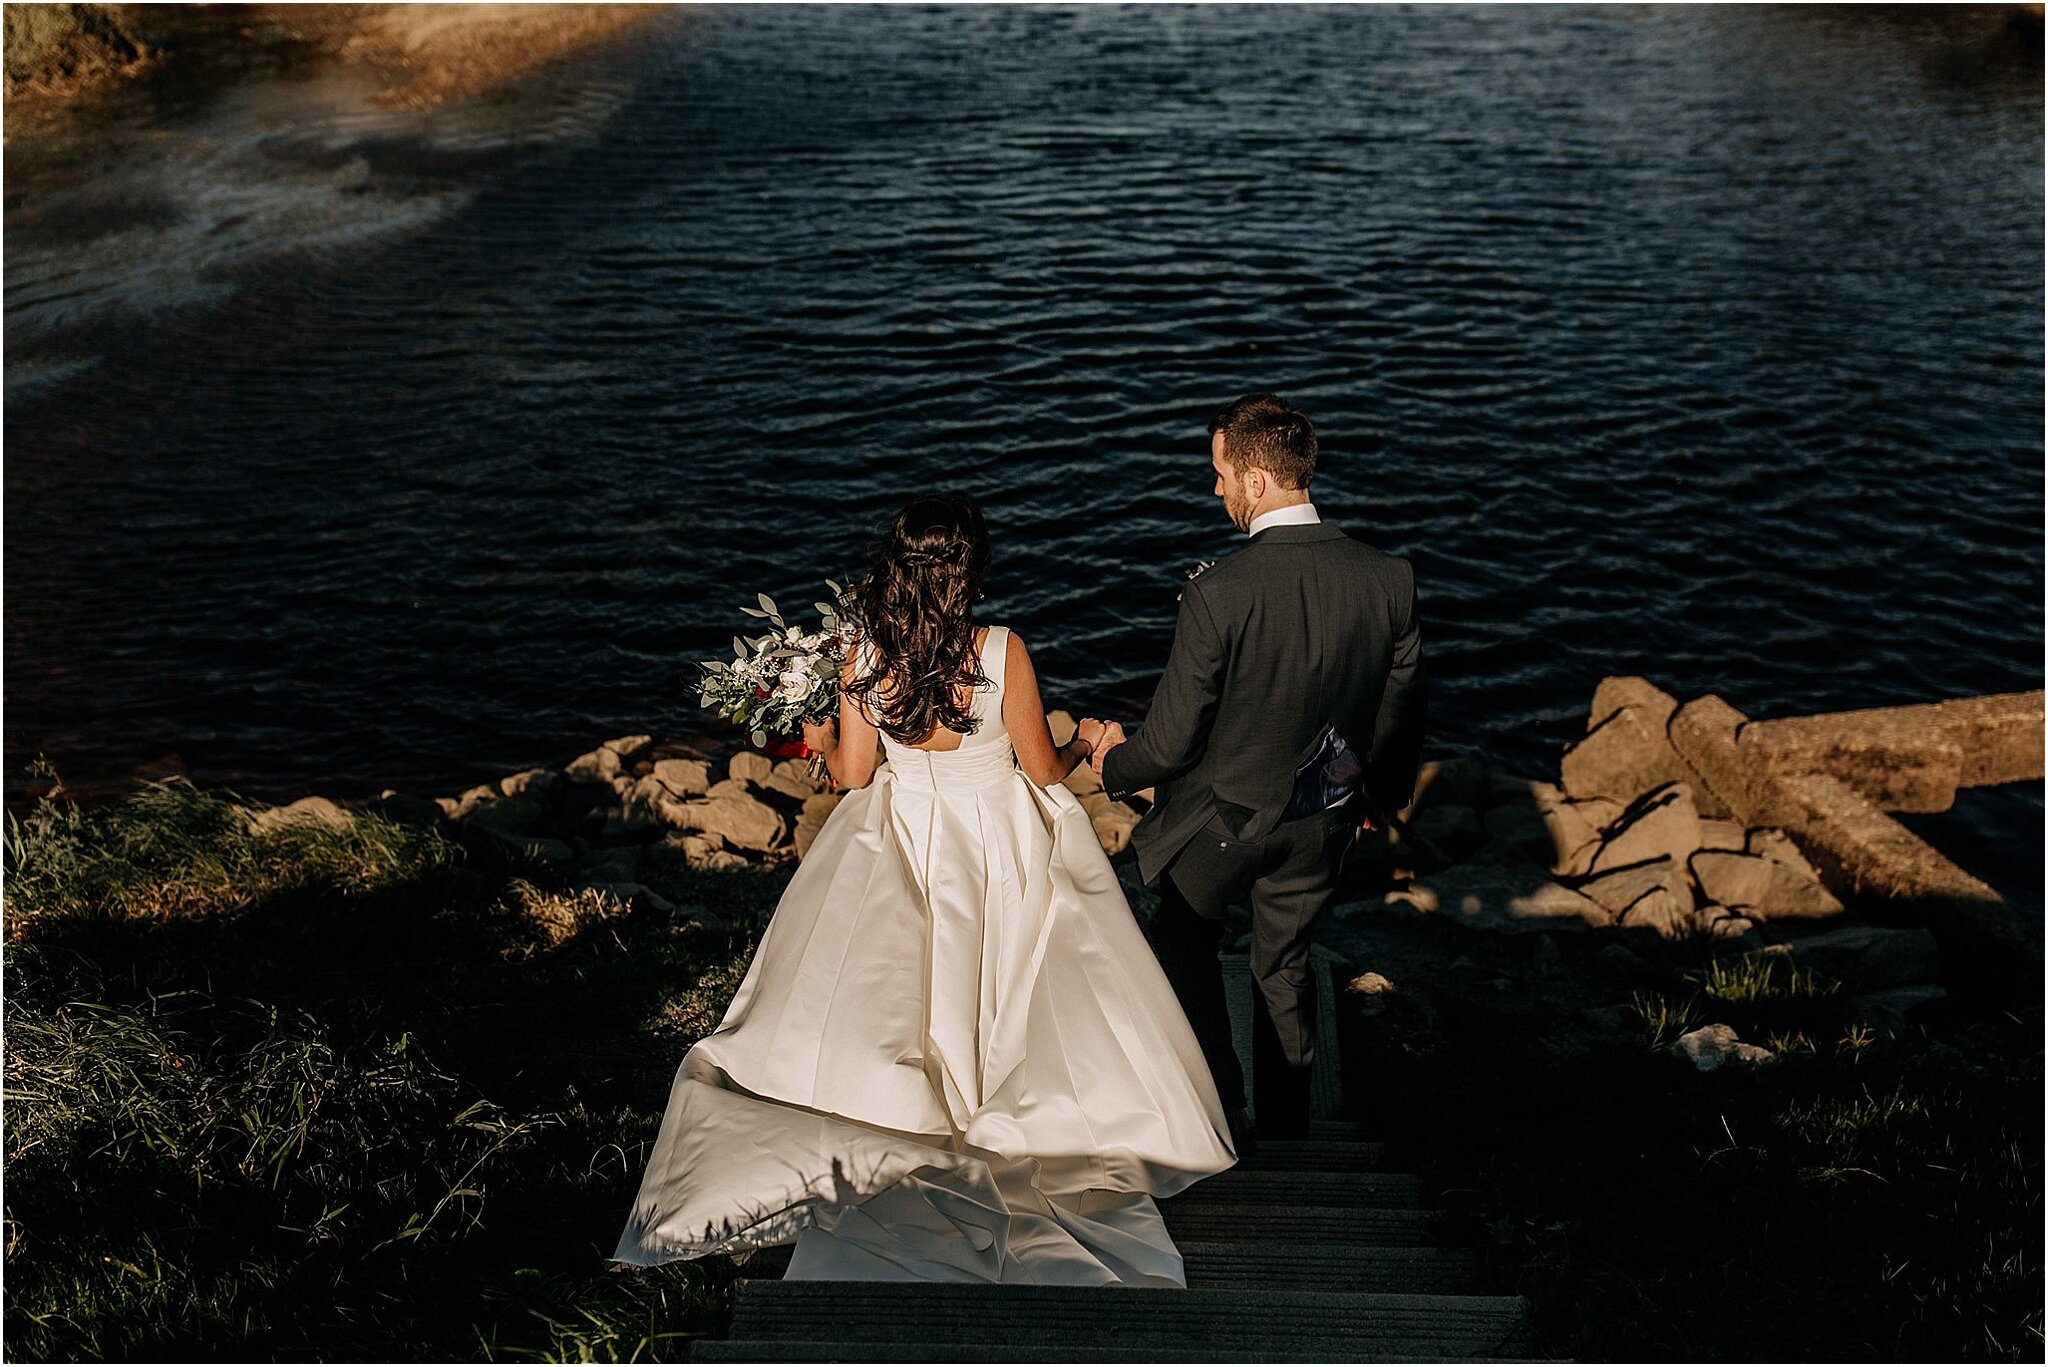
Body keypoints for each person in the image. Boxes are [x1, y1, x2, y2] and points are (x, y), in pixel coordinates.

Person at [613, 493, 1235, 1286]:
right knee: (1006, 983)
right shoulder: (1001, 650)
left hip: (907, 835)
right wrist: (1089, 738)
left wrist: (817, 738)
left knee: (909, 987)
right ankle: (1011, 1113)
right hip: (995, 840)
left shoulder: (865, 657)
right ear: (970, 569)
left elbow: (852, 775)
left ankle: (921, 1118)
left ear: (899, 567)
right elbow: (1042, 769)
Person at [1092, 395, 1428, 1153]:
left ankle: (1221, 1107)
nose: (1216, 492)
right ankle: (1286, 1126)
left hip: (1223, 825)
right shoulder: (1389, 579)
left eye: (1220, 476)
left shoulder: (1218, 593)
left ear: (1255, 478)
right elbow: (1404, 704)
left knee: (1182, 940)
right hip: (1323, 818)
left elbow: (1172, 744)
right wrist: (1376, 791)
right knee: (1287, 965)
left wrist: (1110, 758)